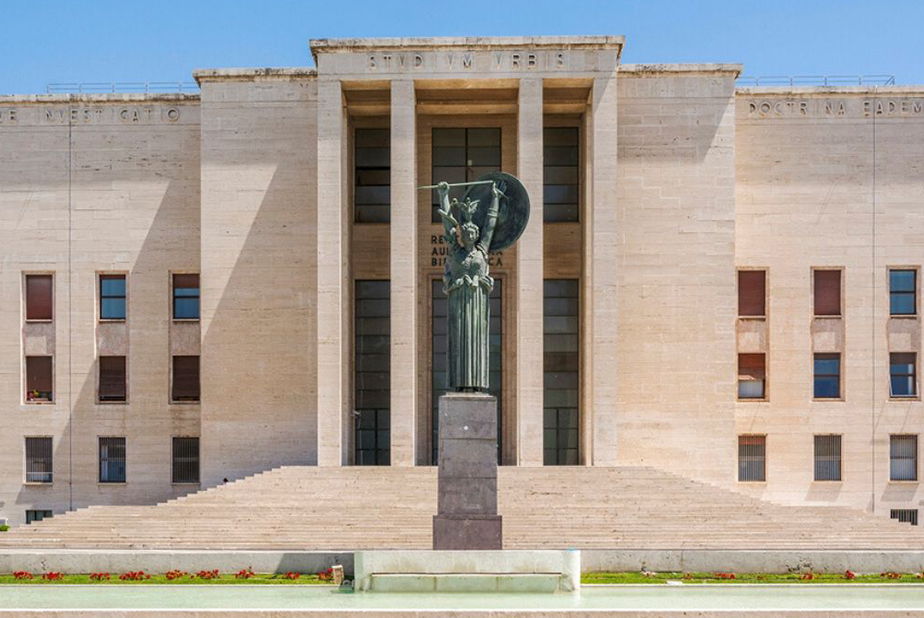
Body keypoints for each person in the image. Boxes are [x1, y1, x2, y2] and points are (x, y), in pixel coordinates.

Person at [435, 180, 504, 391]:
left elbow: (491, 225)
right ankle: (458, 385)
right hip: (458, 302)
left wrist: (495, 198)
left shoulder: (482, 252)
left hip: (477, 303)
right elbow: (448, 224)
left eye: (472, 234)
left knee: (476, 342)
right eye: (465, 234)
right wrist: (443, 196)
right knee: (458, 343)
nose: (468, 236)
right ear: (462, 236)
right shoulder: (456, 252)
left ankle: (476, 385)